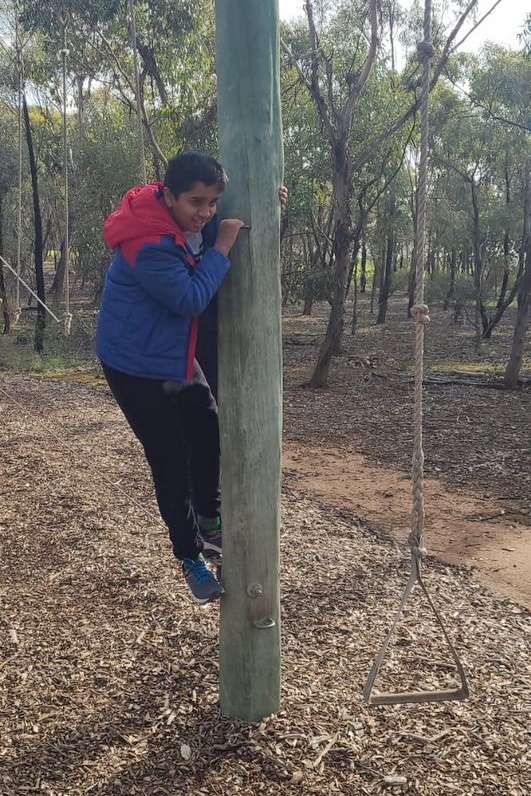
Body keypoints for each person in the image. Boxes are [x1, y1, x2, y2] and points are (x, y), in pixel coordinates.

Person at [96, 150, 286, 606]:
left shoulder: (179, 223)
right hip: (133, 364)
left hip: (172, 352)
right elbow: (190, 298)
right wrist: (222, 245)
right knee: (170, 457)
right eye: (195, 202)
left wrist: (265, 204)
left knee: (206, 426)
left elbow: (203, 237)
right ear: (168, 195)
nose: (204, 213)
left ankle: (209, 516)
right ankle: (189, 556)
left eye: (212, 203)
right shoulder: (146, 243)